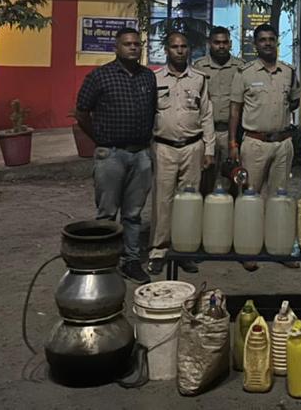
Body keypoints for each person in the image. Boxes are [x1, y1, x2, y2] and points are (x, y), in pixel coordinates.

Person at [74, 27, 157, 284]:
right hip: (110, 155)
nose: (133, 47)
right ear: (116, 47)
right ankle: (104, 263)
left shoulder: (148, 77)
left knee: (133, 213)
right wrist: (100, 138)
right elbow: (81, 112)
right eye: (127, 44)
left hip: (140, 155)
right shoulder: (100, 76)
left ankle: (130, 261)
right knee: (107, 213)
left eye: (136, 44)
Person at [229, 23, 301, 270]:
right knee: (250, 197)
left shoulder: (288, 72)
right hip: (255, 143)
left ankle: (278, 247)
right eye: (262, 40)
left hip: (283, 143)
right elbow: (235, 111)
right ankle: (247, 249)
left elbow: (294, 102)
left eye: (271, 39)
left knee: (279, 197)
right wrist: (232, 142)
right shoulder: (245, 73)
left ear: (276, 42)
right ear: (255, 44)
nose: (268, 43)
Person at [148, 32, 215, 277]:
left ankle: (185, 250)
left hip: (192, 147)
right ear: (167, 49)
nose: (180, 50)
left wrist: (209, 149)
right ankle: (159, 251)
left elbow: (206, 115)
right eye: (175, 46)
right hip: (163, 148)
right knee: (162, 201)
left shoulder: (199, 78)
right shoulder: (154, 78)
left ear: (189, 49)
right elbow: (149, 114)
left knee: (189, 201)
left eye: (184, 46)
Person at [192, 26, 244, 195]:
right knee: (205, 179)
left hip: (232, 133)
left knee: (233, 178)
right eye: (217, 42)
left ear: (230, 44)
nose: (221, 46)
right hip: (207, 133)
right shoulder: (199, 67)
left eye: (225, 42)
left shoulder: (240, 67)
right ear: (210, 43)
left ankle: (232, 209)